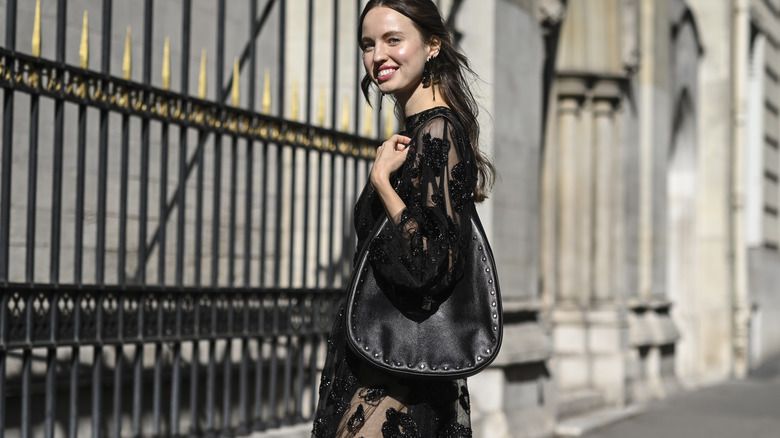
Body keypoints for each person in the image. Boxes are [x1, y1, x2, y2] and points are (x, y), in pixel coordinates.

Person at [312, 1, 494, 436]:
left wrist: (383, 185)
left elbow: (429, 263)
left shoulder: (437, 132)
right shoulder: (418, 133)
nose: (377, 56)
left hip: (397, 374)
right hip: (378, 356)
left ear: (432, 45)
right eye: (368, 44)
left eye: (393, 40)